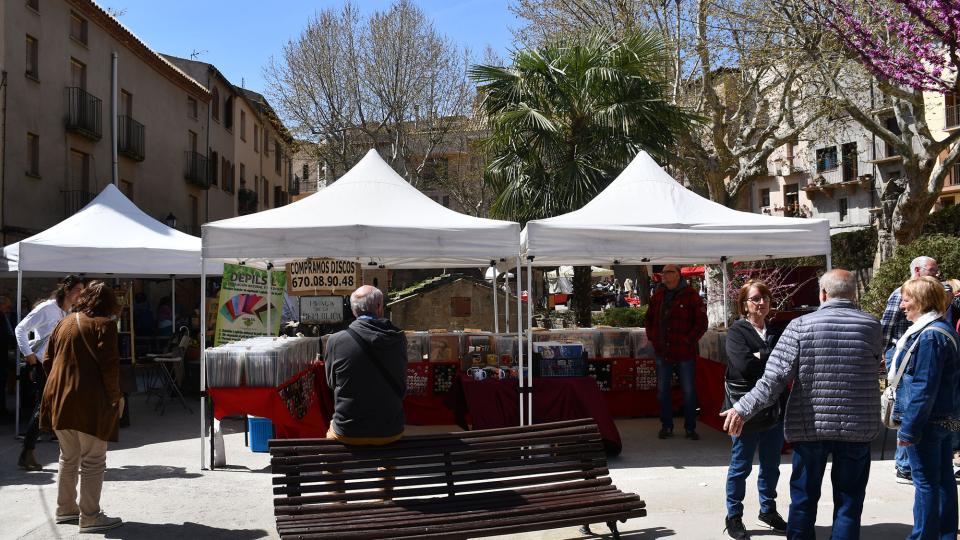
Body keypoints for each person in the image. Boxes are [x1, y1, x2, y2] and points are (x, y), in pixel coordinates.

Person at [720, 269, 882, 540]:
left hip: (811, 427)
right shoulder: (871, 325)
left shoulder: (800, 326)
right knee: (849, 504)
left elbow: (773, 378)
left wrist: (742, 408)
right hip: (857, 427)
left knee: (804, 501)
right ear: (854, 294)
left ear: (822, 294)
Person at [39, 281, 123, 532]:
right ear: (109, 304)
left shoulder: (64, 322)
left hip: (59, 400)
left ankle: (65, 509)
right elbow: (110, 368)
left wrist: (61, 386)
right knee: (93, 460)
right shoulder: (104, 325)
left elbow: (47, 360)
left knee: (68, 457)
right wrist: (116, 397)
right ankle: (90, 516)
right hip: (89, 403)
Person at [891, 276, 960, 540]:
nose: (902, 306)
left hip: (929, 421)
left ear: (920, 301)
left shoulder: (930, 335)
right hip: (942, 417)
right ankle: (944, 533)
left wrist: (908, 430)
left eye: (906, 299)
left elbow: (924, 387)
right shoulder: (939, 328)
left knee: (926, 482)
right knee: (941, 479)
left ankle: (923, 536)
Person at [723, 281, 787, 539]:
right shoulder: (737, 332)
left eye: (765, 298)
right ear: (744, 304)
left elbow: (786, 363)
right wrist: (768, 357)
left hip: (774, 409)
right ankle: (734, 515)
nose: (761, 303)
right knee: (741, 466)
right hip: (744, 410)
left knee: (772, 465)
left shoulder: (776, 329)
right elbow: (744, 366)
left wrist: (762, 354)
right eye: (755, 298)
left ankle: (768, 510)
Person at [880, 255, 944, 484]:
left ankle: (906, 463)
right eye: (933, 269)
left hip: (915, 352)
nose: (937, 273)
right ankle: (904, 465)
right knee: (906, 405)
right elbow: (885, 328)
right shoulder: (901, 293)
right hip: (902, 353)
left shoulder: (933, 327)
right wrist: (886, 355)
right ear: (917, 270)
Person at [14, 275, 84, 471]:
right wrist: (28, 354)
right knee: (43, 407)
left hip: (60, 365)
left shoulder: (68, 310)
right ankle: (27, 452)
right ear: (68, 290)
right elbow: (20, 328)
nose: (81, 294)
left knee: (57, 405)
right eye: (78, 290)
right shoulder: (47, 308)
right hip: (43, 365)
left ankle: (60, 452)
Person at [324, 285, 406, 444]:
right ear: (379, 307)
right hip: (390, 430)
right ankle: (387, 467)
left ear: (354, 310)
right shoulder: (398, 338)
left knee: (330, 434)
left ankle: (333, 468)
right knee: (386, 443)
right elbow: (402, 384)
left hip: (348, 430)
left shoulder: (336, 340)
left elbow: (331, 383)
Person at [645, 264, 708, 440]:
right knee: (663, 391)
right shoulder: (658, 295)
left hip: (684, 352)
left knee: (688, 391)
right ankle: (666, 426)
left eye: (669, 272)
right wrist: (653, 337)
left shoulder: (691, 295)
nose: (664, 275)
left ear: (678, 275)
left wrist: (688, 340)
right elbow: (648, 319)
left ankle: (690, 427)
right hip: (662, 350)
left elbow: (702, 323)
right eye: (663, 272)